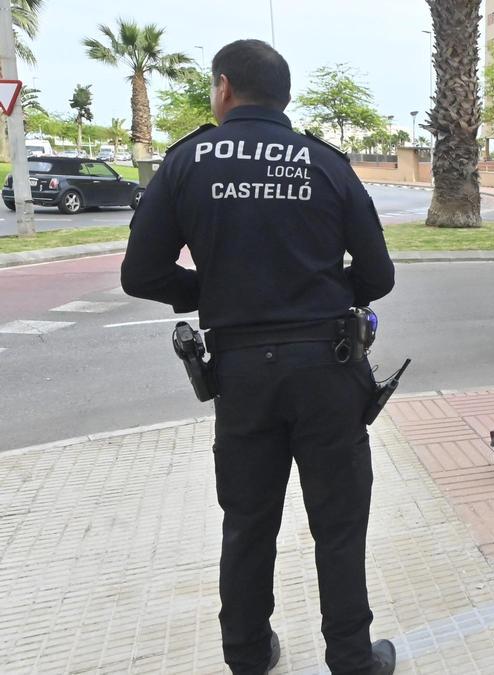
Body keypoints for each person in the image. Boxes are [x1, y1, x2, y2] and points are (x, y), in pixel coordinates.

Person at [121, 39, 396, 675]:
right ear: (284, 96)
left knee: (247, 522)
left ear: (223, 87)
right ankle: (352, 658)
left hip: (242, 374)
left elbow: (141, 273)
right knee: (340, 523)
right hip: (327, 366)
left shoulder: (187, 162)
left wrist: (215, 292)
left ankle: (247, 655)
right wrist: (319, 292)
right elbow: (378, 276)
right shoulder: (326, 163)